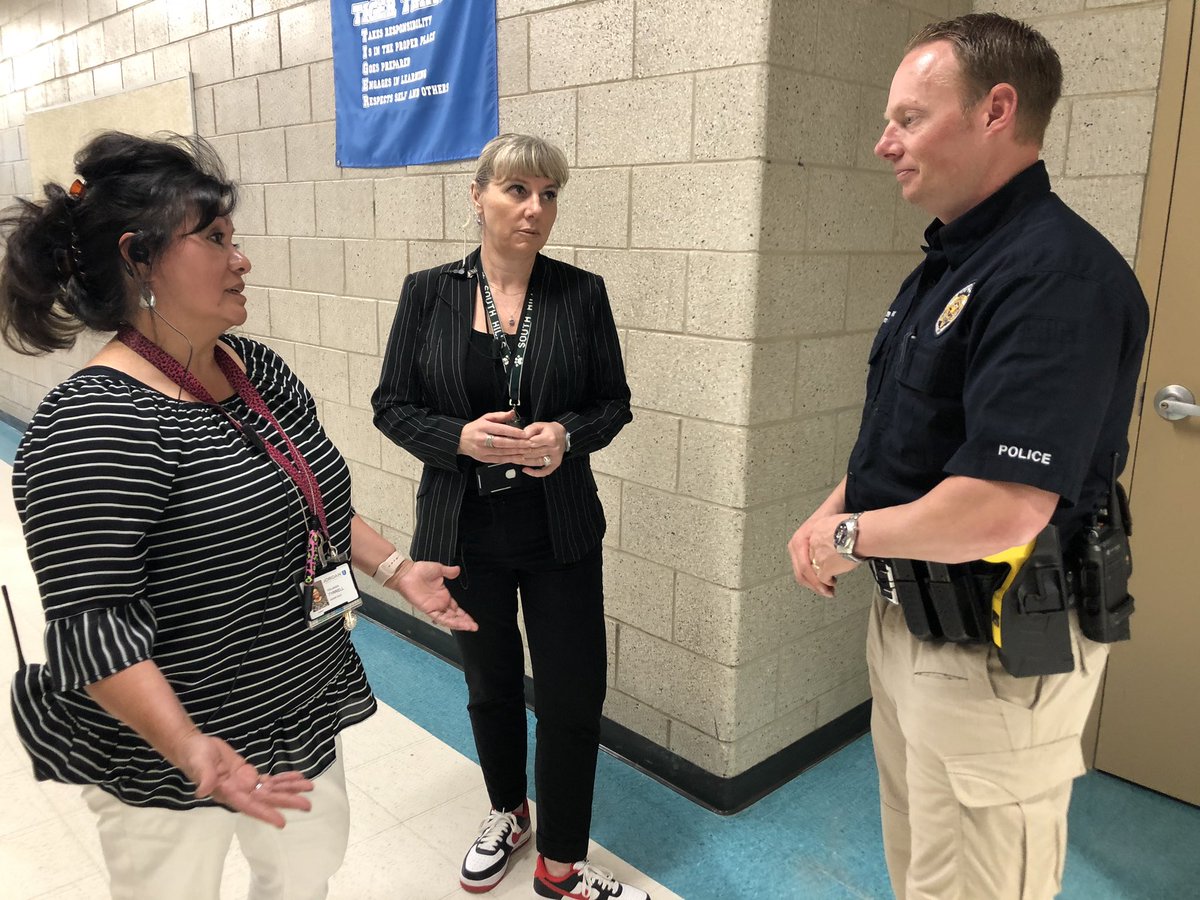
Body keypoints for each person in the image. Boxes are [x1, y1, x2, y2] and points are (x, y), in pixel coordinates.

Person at [0, 131, 475, 900]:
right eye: (216, 238)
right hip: (170, 749)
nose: (242, 258)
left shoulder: (254, 370)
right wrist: (189, 746)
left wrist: (395, 569)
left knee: (304, 875)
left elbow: (309, 500)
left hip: (296, 702)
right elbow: (93, 627)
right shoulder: (94, 424)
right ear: (139, 258)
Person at [787, 14, 1148, 900]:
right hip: (909, 618)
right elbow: (907, 440)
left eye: (909, 118)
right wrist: (833, 510)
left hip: (993, 648)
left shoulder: (1056, 277)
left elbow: (1003, 508)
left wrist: (846, 538)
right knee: (922, 872)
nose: (885, 143)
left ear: (996, 110)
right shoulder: (950, 265)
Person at [373, 133, 642, 900]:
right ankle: (507, 813)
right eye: (517, 190)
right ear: (478, 196)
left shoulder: (580, 293)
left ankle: (561, 862)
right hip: (464, 529)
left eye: (548, 195)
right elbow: (391, 405)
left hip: (559, 530)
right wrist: (457, 438)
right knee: (489, 684)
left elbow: (613, 402)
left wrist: (567, 436)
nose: (534, 209)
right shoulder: (429, 293)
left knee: (570, 693)